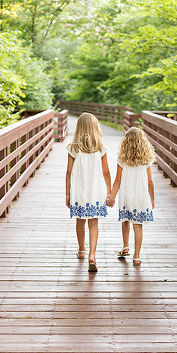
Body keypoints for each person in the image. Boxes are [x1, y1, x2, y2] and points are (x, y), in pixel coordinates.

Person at [65, 113, 112, 272]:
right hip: (96, 191)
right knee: (93, 223)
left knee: (80, 221)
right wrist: (109, 192)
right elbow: (106, 173)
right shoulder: (101, 147)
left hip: (79, 191)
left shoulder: (73, 147)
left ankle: (81, 250)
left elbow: (68, 173)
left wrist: (68, 194)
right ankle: (92, 254)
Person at [106, 127, 156, 266]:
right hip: (141, 196)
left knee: (126, 220)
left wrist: (112, 198)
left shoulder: (122, 159)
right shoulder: (146, 160)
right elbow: (150, 182)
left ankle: (126, 246)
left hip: (126, 196)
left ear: (126, 142)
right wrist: (152, 199)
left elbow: (117, 180)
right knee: (138, 226)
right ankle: (137, 256)